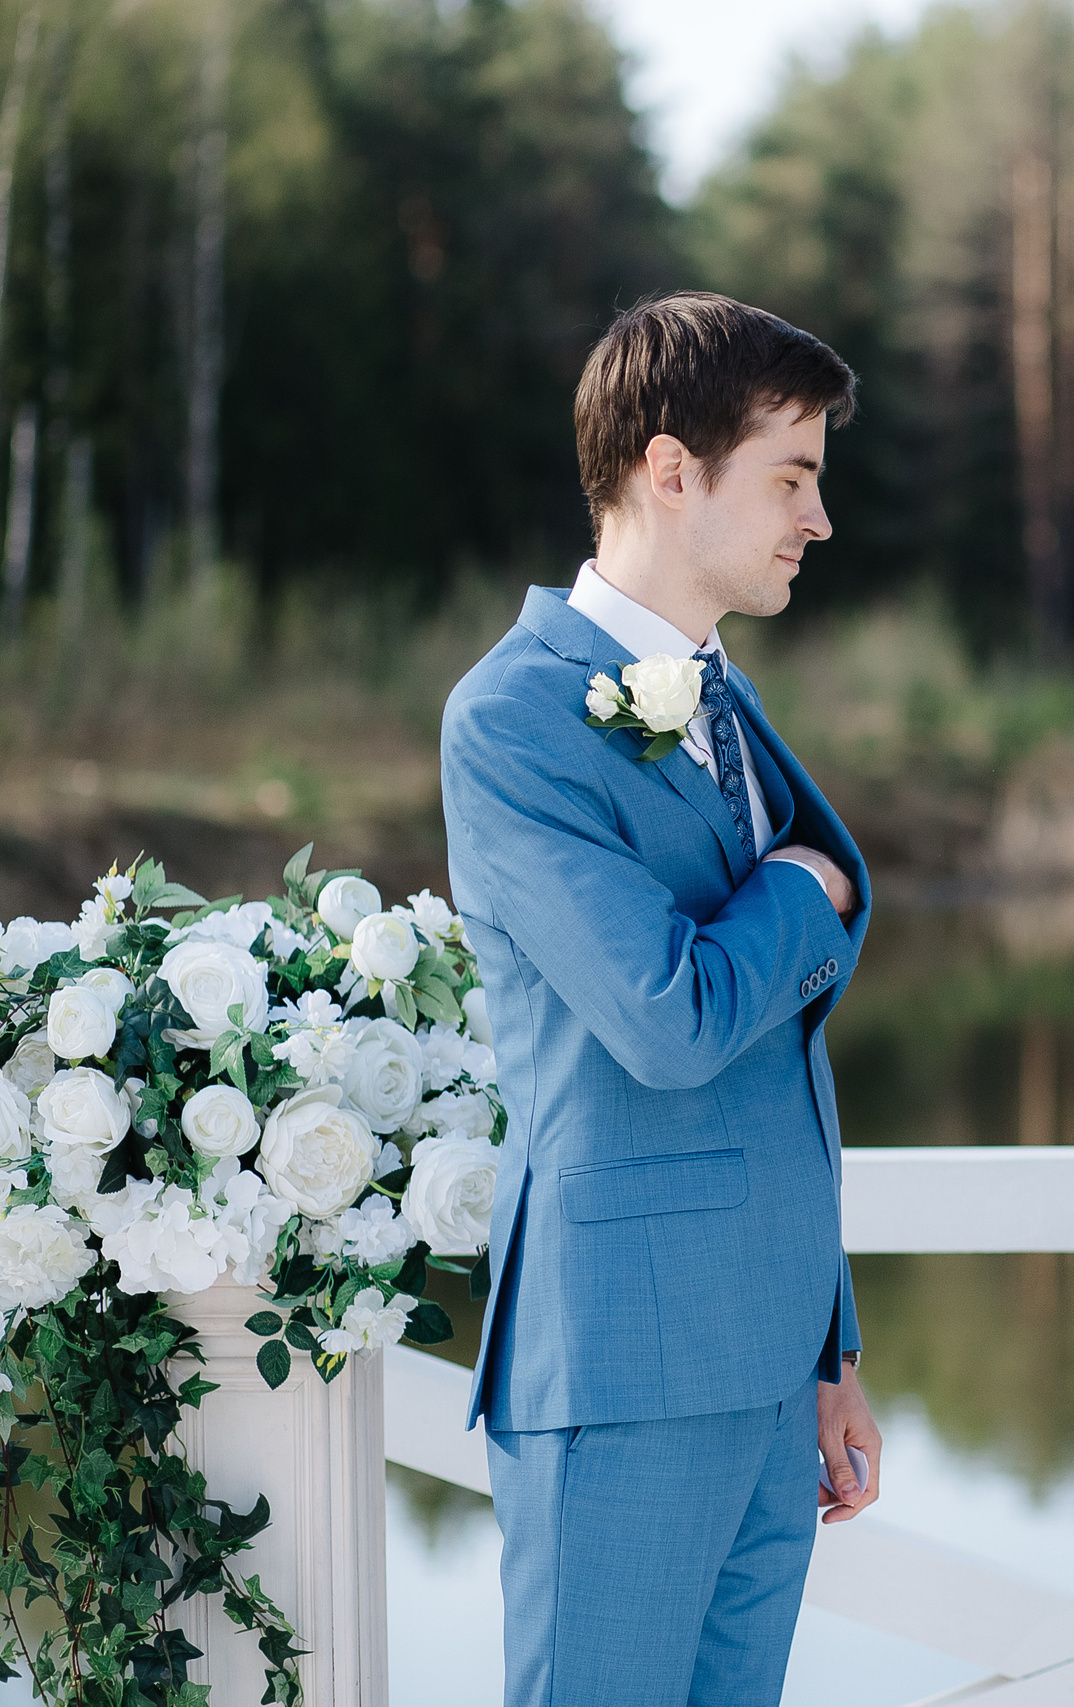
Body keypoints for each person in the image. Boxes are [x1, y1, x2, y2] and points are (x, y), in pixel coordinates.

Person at [440, 291, 882, 1707]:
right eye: (793, 476)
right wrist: (802, 894)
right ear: (671, 468)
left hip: (767, 1368)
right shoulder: (512, 716)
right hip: (622, 1363)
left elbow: (782, 1057)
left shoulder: (724, 698)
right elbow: (671, 1017)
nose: (817, 518)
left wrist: (831, 1346)